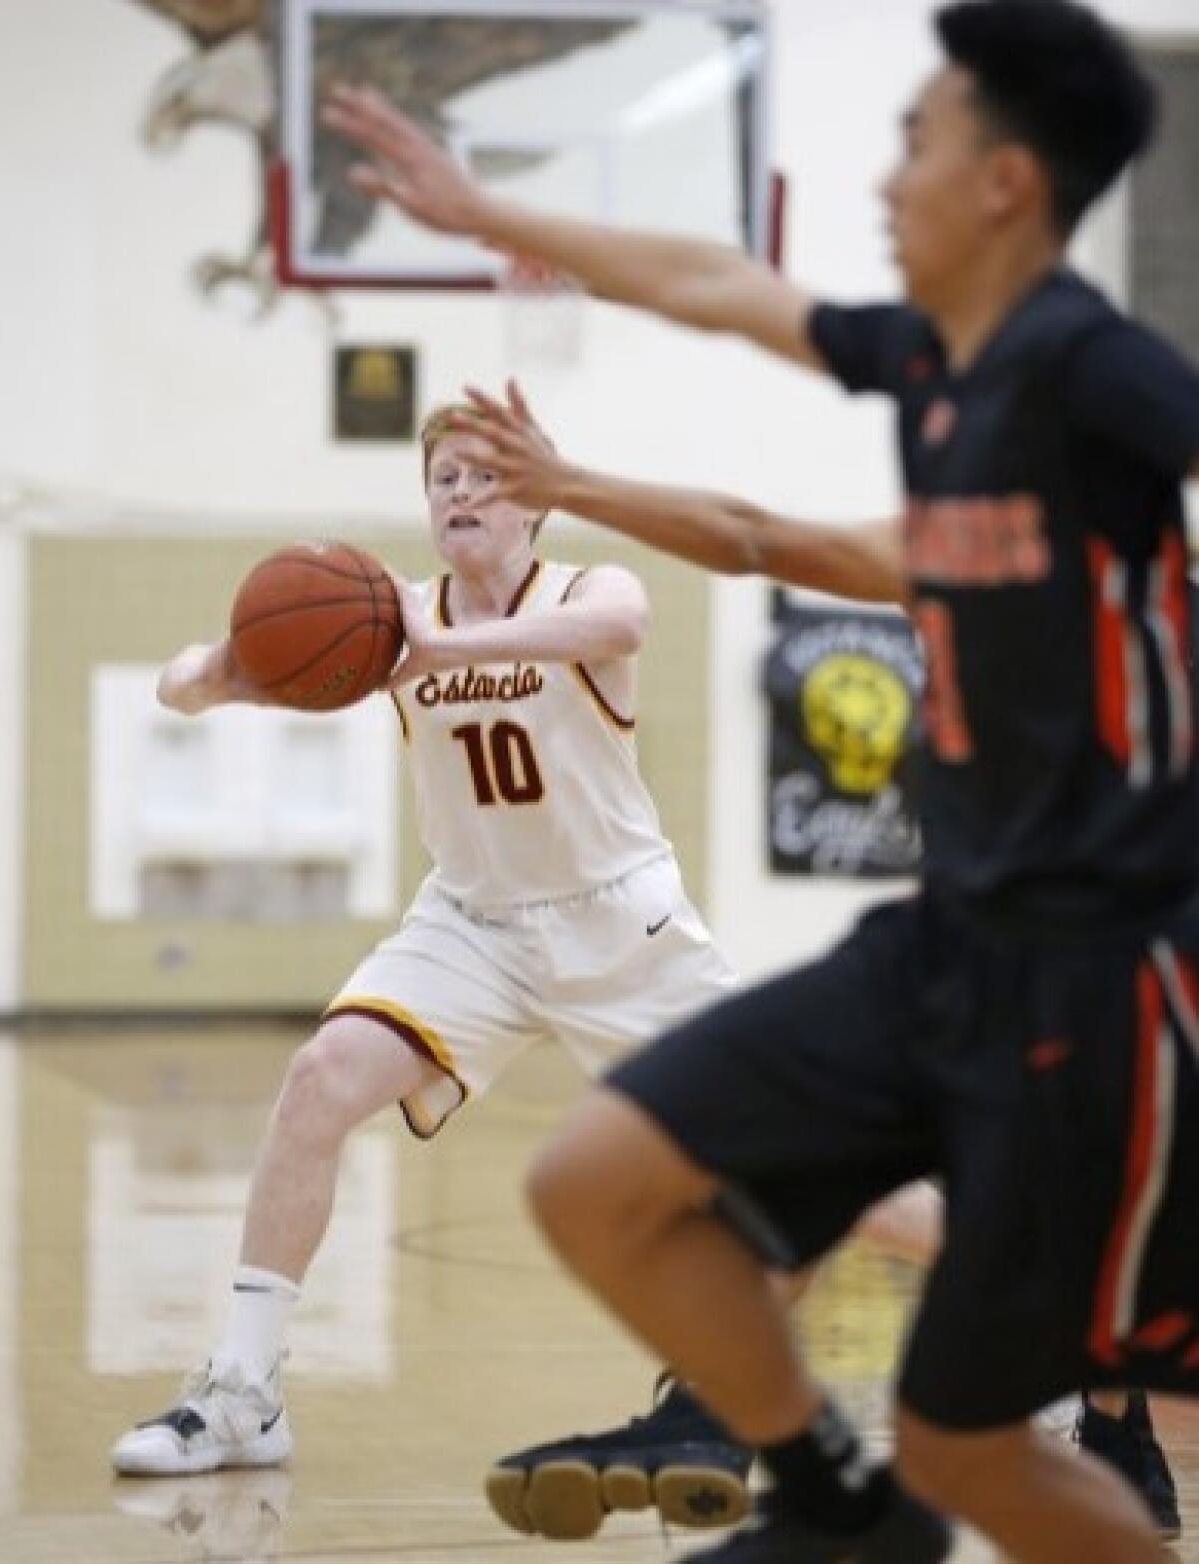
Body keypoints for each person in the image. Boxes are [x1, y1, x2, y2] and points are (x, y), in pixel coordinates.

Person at [324, 3, 1199, 1560]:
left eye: (916, 140)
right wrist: (487, 239)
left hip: (1099, 979)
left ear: (1006, 182)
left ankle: (925, 1478)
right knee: (603, 1182)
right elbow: (730, 321)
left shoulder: (1103, 377)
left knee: (979, 1453)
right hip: (945, 943)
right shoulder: (940, 368)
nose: (883, 180)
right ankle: (834, 1498)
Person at [108, 403, 756, 1542]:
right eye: (443, 476)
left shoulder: (582, 593)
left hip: (622, 934)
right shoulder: (380, 620)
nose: (460, 493)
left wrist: (437, 649)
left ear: (539, 502)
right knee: (321, 1079)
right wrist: (222, 672)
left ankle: (1041, 1331)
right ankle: (243, 1392)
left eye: (487, 477)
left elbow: (628, 618)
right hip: (472, 926)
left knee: (793, 1153)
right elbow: (178, 684)